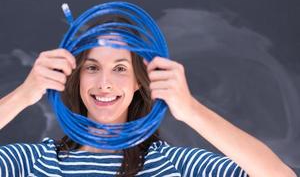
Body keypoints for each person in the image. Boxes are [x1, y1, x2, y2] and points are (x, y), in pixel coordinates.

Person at [0, 14, 296, 177]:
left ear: (140, 81)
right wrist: (24, 95)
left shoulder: (177, 164)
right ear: (76, 77)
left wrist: (191, 110)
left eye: (119, 68)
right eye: (92, 67)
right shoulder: (31, 161)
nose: (104, 83)